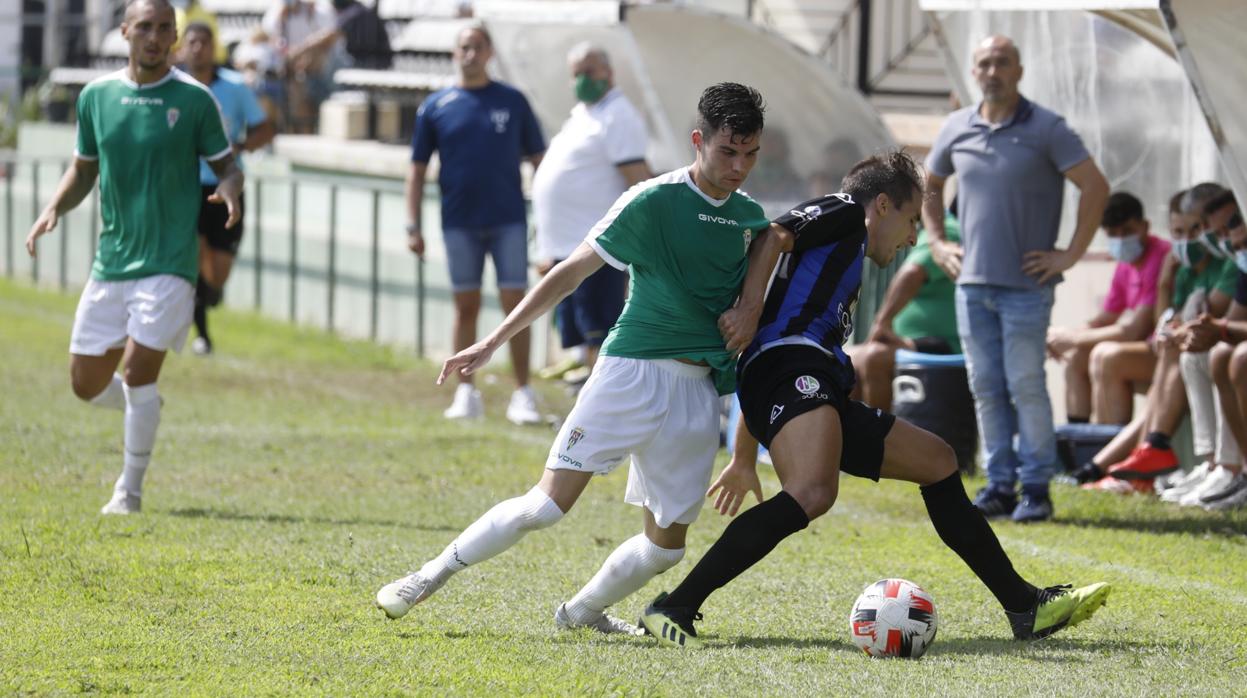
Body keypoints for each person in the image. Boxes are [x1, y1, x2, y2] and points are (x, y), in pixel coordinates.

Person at [638, 152, 1110, 649]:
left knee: (939, 461)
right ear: (881, 205)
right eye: (910, 222)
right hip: (793, 367)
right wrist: (750, 308)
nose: (912, 238)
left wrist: (741, 454)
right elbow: (774, 236)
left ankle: (1024, 606)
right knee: (812, 493)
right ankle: (675, 606)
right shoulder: (845, 210)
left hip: (803, 375)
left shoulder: (843, 257)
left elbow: (764, 356)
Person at [376, 83, 782, 635]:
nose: (739, 166)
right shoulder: (652, 199)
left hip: (696, 391)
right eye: (727, 152)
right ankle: (425, 577)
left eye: (751, 154)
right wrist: (492, 340)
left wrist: (753, 304)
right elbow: (569, 271)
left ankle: (581, 614)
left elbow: (776, 240)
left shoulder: (750, 217)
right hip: (631, 373)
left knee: (666, 549)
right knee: (545, 507)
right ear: (698, 141)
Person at [24, 0, 241, 515]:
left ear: (173, 37)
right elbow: (83, 169)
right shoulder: (96, 97)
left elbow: (227, 166)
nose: (154, 36)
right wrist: (53, 208)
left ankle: (129, 491)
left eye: (165, 28)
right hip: (112, 261)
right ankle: (143, 409)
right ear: (124, 31)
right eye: (144, 26)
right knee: (84, 384)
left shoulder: (194, 100)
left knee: (139, 371)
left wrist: (231, 191)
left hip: (170, 263)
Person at [922, 35, 1109, 522]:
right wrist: (938, 242)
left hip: (1028, 287)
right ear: (973, 71)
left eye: (1002, 62)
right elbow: (930, 183)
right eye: (984, 63)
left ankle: (1037, 488)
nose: (992, 71)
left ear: (1019, 71)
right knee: (986, 385)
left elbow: (1095, 186)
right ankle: (1000, 485)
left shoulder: (1048, 127)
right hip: (972, 285)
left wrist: (1070, 254)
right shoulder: (956, 127)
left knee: (1025, 383)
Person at [405, 24, 547, 424]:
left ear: (489, 53)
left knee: (516, 307)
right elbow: (416, 170)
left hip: (508, 221)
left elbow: (541, 162)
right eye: (464, 47)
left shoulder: (513, 101)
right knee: (464, 306)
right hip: (459, 221)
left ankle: (523, 392)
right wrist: (411, 225)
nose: (470, 54)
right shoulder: (435, 106)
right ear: (454, 53)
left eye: (477, 47)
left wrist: (547, 219)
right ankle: (466, 391)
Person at [1080, 186, 1236, 490]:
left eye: (1197, 230)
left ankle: (1127, 463)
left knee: (1119, 356)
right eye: (1178, 231)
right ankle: (1129, 462)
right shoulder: (1182, 269)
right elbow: (1161, 324)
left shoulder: (1221, 263)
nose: (1187, 239)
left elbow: (1145, 328)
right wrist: (1166, 283)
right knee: (1107, 357)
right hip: (1175, 356)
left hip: (1200, 352)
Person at [531, 42, 650, 383]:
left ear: (608, 73)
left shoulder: (618, 114)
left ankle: (597, 401)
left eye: (589, 71)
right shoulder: (584, 113)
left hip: (595, 246)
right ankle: (584, 390)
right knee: (580, 329)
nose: (583, 80)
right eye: (576, 74)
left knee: (600, 330)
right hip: (564, 244)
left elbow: (638, 180)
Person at [182, 22, 276, 355]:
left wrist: (240, 147)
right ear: (182, 47)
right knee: (192, 260)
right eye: (191, 42)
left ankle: (210, 293)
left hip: (227, 186)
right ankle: (202, 335)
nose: (198, 49)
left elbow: (265, 128)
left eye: (204, 43)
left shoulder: (235, 87)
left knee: (217, 273)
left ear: (214, 48)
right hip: (185, 188)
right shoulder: (172, 87)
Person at [1047, 192, 1169, 424]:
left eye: (1127, 231)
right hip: (1147, 349)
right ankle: (1079, 443)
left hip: (1164, 350)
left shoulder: (1161, 255)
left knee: (1107, 357)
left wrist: (1073, 338)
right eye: (1113, 234)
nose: (1121, 240)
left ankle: (1109, 448)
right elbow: (1106, 318)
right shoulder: (1125, 265)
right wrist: (1064, 336)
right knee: (1077, 358)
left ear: (1145, 226)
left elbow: (1136, 330)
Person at [846, 209, 962, 411]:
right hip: (913, 340)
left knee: (874, 358)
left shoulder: (946, 229)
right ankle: (853, 438)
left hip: (945, 343)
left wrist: (882, 323)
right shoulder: (933, 230)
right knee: (848, 361)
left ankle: (881, 437)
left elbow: (912, 273)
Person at [261, 0, 338, 133]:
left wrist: (301, 51)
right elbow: (270, 38)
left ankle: (305, 132)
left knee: (302, 90)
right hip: (293, 74)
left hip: (326, 73)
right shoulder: (276, 12)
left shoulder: (320, 9)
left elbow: (330, 35)